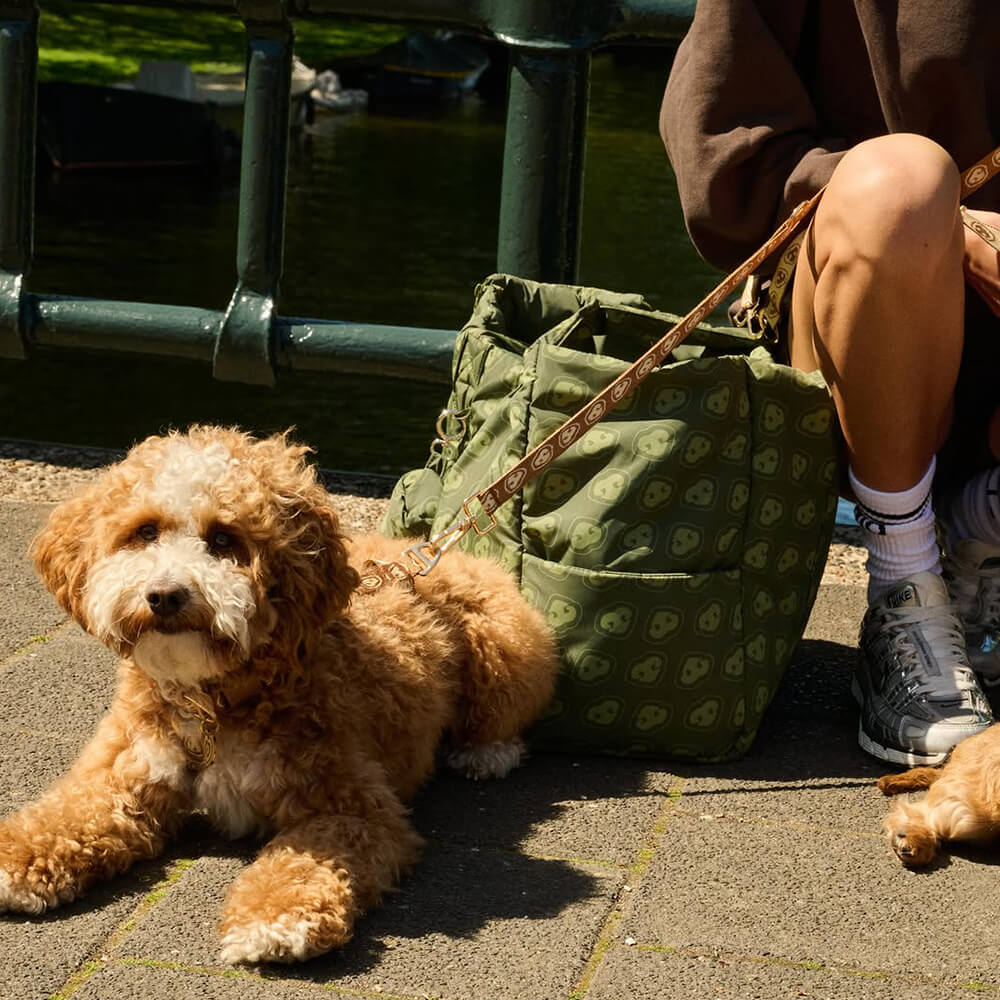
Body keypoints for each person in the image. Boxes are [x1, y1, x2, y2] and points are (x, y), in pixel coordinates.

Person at [660, 1, 1000, 766]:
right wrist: (962, 228)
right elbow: (726, 157)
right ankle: (904, 590)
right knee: (901, 183)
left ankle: (986, 530)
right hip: (865, 306)